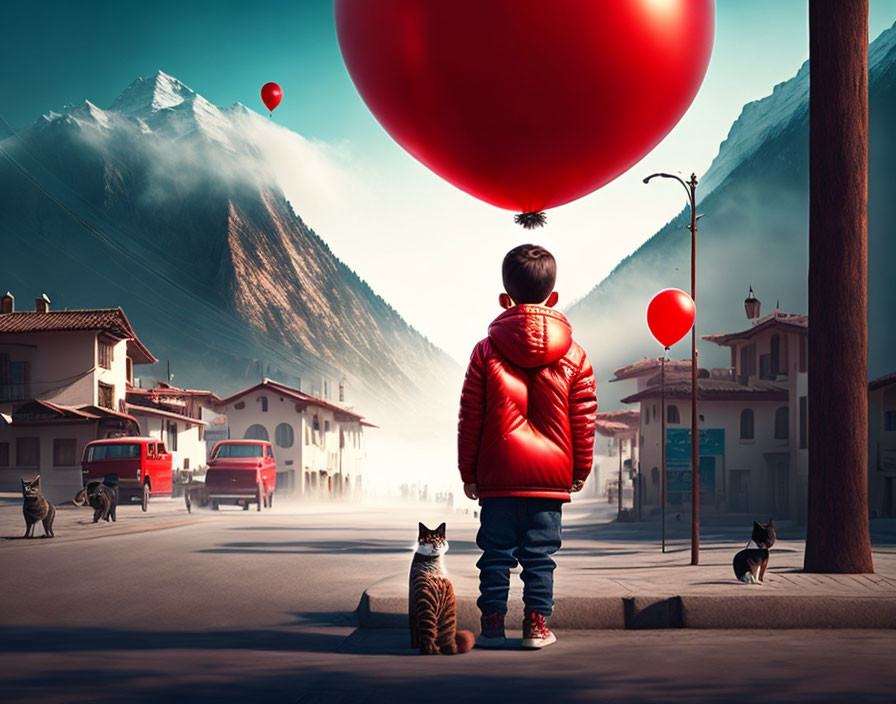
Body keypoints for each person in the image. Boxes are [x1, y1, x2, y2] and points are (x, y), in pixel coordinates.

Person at [458, 243, 597, 649]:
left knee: (496, 554)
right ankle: (536, 627)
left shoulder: (485, 352)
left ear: (506, 299)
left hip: (498, 477)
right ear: (553, 299)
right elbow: (584, 420)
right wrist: (578, 472)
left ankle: (493, 626)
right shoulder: (576, 355)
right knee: (540, 556)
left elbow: (471, 417)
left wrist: (470, 473)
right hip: (548, 480)